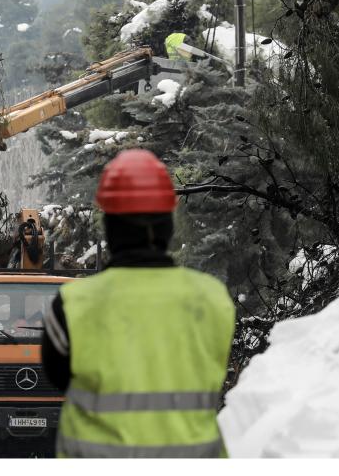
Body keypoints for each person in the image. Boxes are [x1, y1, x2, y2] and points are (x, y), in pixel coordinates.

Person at [41, 149, 236, 458]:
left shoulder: (72, 305)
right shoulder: (212, 299)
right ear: (168, 224)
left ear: (109, 225)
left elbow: (58, 378)